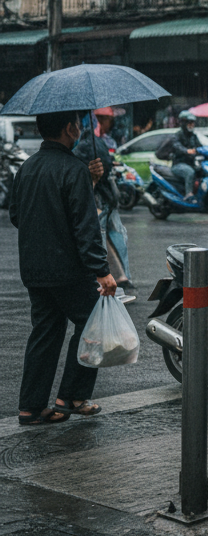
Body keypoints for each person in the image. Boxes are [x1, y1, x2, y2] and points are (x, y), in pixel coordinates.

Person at [10, 110, 117, 425]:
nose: (82, 129)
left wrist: (91, 182)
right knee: (92, 324)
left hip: (34, 270)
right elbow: (85, 228)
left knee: (45, 332)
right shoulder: (73, 169)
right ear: (69, 128)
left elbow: (18, 216)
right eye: (80, 125)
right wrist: (102, 271)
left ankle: (30, 407)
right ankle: (71, 395)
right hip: (68, 270)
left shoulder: (26, 168)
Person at [74, 109, 135, 301]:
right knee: (115, 236)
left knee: (102, 238)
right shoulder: (98, 142)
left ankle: (116, 278)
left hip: (99, 199)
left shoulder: (84, 146)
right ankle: (123, 276)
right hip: (108, 198)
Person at [169, 109, 202, 201]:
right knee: (189, 172)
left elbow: (200, 147)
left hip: (191, 163)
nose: (192, 125)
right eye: (189, 122)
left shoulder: (193, 136)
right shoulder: (177, 135)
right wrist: (187, 151)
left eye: (193, 122)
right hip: (178, 165)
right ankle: (188, 194)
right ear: (183, 123)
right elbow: (177, 146)